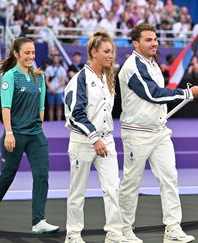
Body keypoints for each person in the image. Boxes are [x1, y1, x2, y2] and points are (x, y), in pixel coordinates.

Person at [118, 23, 198, 243]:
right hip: (136, 133)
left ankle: (173, 229)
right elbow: (153, 94)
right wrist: (187, 93)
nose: (154, 43)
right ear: (135, 43)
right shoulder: (132, 67)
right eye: (148, 40)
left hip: (160, 131)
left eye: (155, 39)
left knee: (170, 178)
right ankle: (124, 230)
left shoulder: (153, 64)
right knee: (131, 182)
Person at [0, 37, 59, 233]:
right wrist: (9, 133)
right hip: (15, 134)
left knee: (41, 175)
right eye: (27, 52)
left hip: (36, 134)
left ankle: (38, 221)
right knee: (8, 175)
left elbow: (41, 107)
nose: (31, 56)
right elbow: (5, 107)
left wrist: (39, 129)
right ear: (17, 54)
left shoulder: (39, 77)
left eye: (33, 53)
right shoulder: (10, 76)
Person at [63, 31, 125, 243]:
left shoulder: (109, 77)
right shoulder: (80, 79)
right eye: (106, 52)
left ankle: (115, 233)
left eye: (112, 52)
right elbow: (75, 114)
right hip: (83, 141)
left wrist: (102, 138)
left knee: (113, 188)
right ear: (93, 52)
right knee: (78, 191)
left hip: (106, 141)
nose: (111, 55)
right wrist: (94, 138)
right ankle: (73, 234)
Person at [45, 54, 67, 121]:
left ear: (59, 60)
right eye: (55, 58)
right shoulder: (49, 68)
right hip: (50, 90)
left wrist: (56, 88)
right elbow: (46, 80)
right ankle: (51, 122)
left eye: (57, 58)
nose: (56, 59)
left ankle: (59, 121)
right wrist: (51, 88)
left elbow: (63, 81)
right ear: (53, 59)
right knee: (51, 106)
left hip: (59, 90)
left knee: (59, 106)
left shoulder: (62, 69)